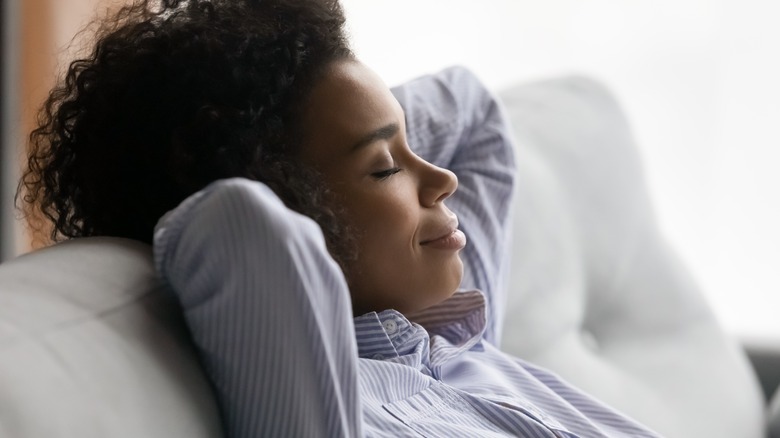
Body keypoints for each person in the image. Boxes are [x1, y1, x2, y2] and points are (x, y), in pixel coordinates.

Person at [18, 0, 660, 436]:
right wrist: (281, 161)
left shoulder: (454, 335)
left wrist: (348, 120)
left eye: (413, 147)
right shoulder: (331, 407)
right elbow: (236, 226)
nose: (443, 180)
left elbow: (471, 109)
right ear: (298, 204)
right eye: (386, 168)